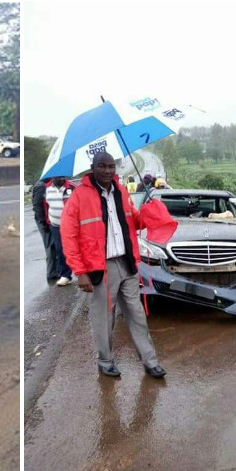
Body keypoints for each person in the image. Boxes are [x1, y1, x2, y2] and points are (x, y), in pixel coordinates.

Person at [61, 151, 166, 378]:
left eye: (111, 166)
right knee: (103, 318)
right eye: (102, 166)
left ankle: (149, 361)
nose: (108, 171)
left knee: (137, 315)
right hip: (101, 267)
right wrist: (80, 272)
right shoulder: (79, 196)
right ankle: (105, 360)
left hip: (126, 263)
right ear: (92, 167)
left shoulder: (121, 191)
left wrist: (149, 211)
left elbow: (134, 222)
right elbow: (68, 236)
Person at [45, 176, 75, 286]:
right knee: (60, 250)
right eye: (59, 176)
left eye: (63, 176)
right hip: (56, 225)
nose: (62, 178)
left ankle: (87, 272)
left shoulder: (72, 187)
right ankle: (66, 275)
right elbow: (45, 206)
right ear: (53, 177)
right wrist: (47, 221)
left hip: (72, 225)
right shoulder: (46, 189)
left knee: (78, 248)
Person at [31, 179, 58, 280]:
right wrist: (43, 222)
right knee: (50, 246)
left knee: (53, 245)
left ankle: (54, 270)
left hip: (47, 219)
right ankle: (52, 272)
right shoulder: (41, 186)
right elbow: (37, 205)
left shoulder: (45, 184)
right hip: (44, 221)